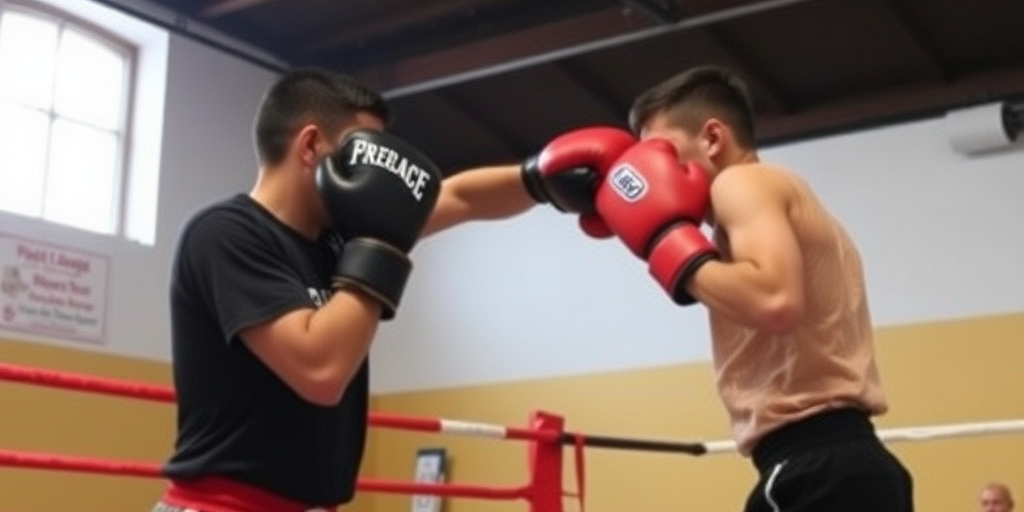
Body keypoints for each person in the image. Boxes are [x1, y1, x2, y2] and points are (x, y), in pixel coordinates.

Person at [153, 68, 623, 512]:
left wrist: (539, 178)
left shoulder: (341, 237)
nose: (381, 174)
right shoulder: (225, 234)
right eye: (364, 150)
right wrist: (380, 243)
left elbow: (458, 197)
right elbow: (320, 370)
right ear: (311, 145)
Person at [586, 64, 915, 511]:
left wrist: (666, 245)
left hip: (817, 466)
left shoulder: (742, 183)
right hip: (834, 464)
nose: (651, 171)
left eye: (661, 153)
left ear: (713, 138)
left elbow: (774, 300)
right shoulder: (772, 202)